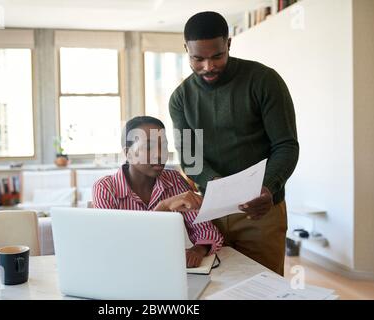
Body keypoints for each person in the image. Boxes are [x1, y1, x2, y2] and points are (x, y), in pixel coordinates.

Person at [169, 11, 299, 275]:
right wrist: (216, 185)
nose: (208, 66)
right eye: (198, 58)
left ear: (228, 44)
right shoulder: (180, 99)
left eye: (217, 55)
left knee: (264, 287)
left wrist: (268, 188)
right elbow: (190, 158)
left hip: (261, 211)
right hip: (210, 213)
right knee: (214, 285)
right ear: (186, 50)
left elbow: (286, 146)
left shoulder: (264, 81)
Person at [93, 116, 224, 268]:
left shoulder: (174, 180)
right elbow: (114, 246)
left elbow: (207, 231)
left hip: (165, 271)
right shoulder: (105, 188)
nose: (159, 154)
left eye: (164, 146)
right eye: (149, 147)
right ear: (128, 154)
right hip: (124, 273)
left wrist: (198, 250)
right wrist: (163, 208)